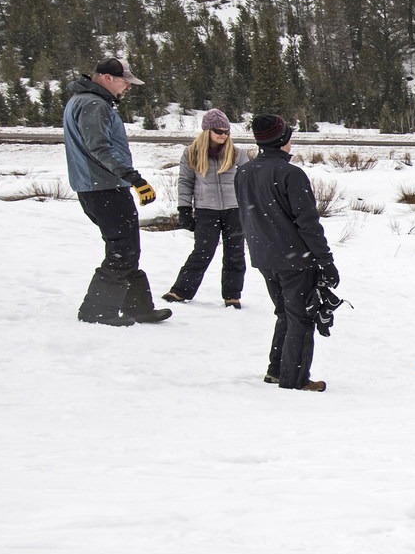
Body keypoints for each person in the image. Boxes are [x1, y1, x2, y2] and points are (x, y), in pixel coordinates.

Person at [62, 57, 171, 326]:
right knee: (122, 249)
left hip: (99, 187)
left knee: (127, 247)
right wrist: (135, 178)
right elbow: (99, 148)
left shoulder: (87, 101)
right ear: (107, 78)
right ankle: (97, 311)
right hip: (104, 188)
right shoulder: (93, 104)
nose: (129, 87)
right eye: (125, 81)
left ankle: (139, 308)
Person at [237, 114, 338, 391]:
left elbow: (247, 216)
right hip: (293, 258)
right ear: (282, 140)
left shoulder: (245, 172)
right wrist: (326, 261)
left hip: (264, 256)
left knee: (285, 313)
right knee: (300, 318)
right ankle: (294, 379)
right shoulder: (290, 174)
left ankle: (277, 369)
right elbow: (307, 223)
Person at [163, 110, 245, 308]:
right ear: (207, 130)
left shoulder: (237, 153)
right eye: (218, 131)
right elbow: (185, 182)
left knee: (235, 253)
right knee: (202, 251)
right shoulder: (191, 152)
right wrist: (184, 209)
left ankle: (232, 295)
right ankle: (180, 291)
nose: (223, 135)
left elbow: (247, 183)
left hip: (234, 210)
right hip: (206, 210)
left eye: (226, 131)